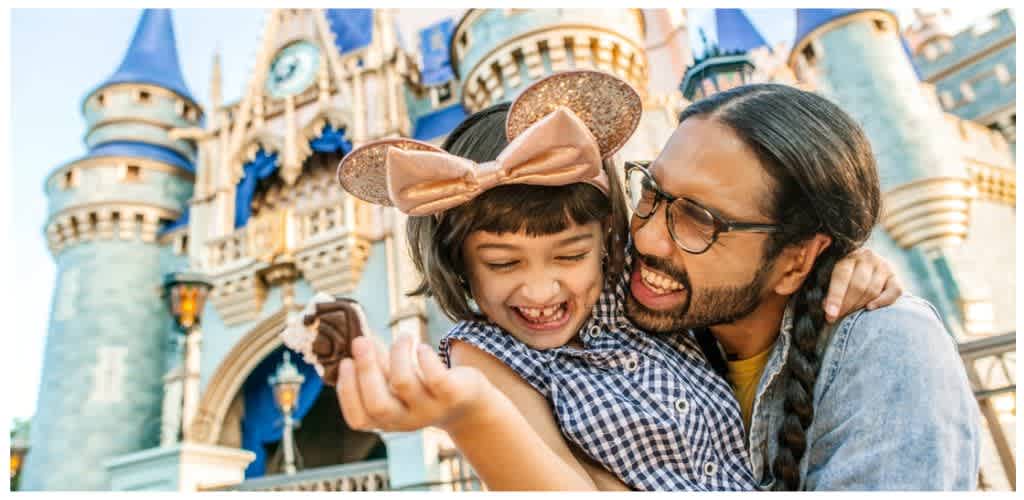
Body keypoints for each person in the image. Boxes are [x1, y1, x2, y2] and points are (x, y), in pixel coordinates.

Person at [322, 73, 904, 490]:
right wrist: (471, 412)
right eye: (503, 264)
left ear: (607, 239)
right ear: (461, 266)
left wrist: (848, 263)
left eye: (570, 254)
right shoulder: (486, 353)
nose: (542, 290)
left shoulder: (639, 293)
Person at [623, 83, 980, 490]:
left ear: (797, 260)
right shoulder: (627, 314)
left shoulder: (889, 348)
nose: (646, 238)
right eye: (651, 190)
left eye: (700, 219)